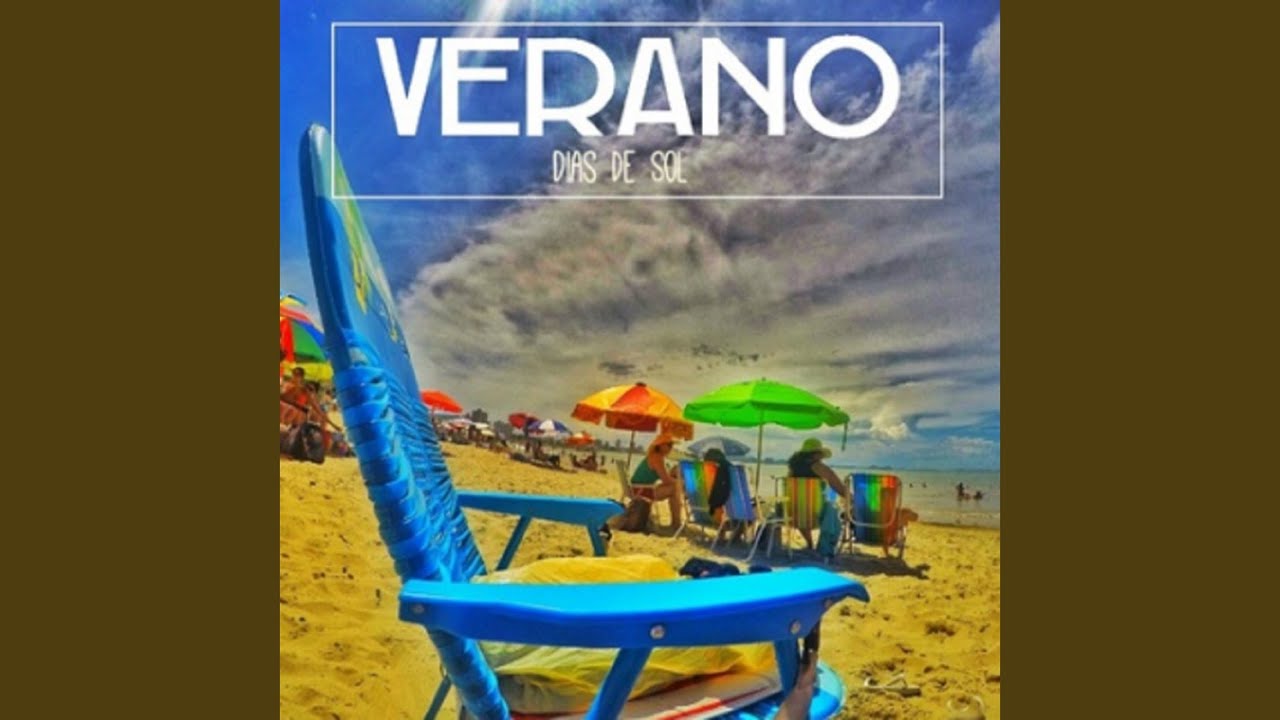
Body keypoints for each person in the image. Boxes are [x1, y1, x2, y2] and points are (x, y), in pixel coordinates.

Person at [786, 438, 850, 552]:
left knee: (803, 509)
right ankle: (825, 546)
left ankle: (810, 544)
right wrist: (853, 498)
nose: (822, 457)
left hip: (793, 512)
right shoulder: (818, 467)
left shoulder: (793, 468)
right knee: (832, 508)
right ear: (815, 454)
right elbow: (839, 487)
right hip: (815, 513)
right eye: (820, 453)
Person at [630, 433, 685, 532]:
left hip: (639, 488)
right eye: (669, 445)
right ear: (661, 445)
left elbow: (664, 477)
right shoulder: (657, 457)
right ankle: (676, 524)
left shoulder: (654, 456)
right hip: (642, 491)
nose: (671, 448)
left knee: (675, 487)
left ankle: (676, 523)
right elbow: (666, 480)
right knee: (674, 489)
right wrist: (680, 482)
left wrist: (673, 477)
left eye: (672, 445)